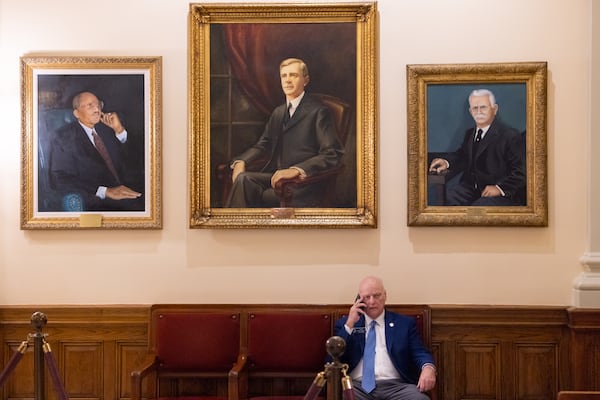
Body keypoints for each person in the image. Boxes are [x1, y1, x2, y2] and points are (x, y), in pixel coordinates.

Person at [226, 58, 344, 207]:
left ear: (305, 80)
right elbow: (263, 144)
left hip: (303, 183)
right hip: (277, 177)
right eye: (284, 76)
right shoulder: (279, 112)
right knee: (243, 179)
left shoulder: (318, 111)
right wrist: (241, 161)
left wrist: (296, 170)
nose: (287, 80)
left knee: (257, 193)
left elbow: (332, 153)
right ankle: (235, 227)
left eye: (293, 75)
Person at [333, 276, 436, 400]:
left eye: (376, 295)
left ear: (385, 295)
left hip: (398, 387)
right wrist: (350, 324)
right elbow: (332, 358)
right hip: (358, 387)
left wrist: (428, 368)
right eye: (366, 297)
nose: (371, 302)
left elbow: (419, 352)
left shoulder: (404, 324)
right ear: (359, 299)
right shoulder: (347, 324)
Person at [428, 88, 526, 206]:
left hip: (500, 193)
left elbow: (521, 172)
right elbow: (462, 156)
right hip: (472, 189)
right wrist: (446, 162)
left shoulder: (510, 136)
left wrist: (500, 188)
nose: (479, 112)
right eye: (475, 108)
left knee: (478, 210)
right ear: (470, 111)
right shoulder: (470, 134)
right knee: (446, 197)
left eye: (483, 107)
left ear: (494, 109)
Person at [48, 91, 143, 211]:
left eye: (98, 105)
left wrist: (119, 130)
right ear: (76, 113)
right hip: (97, 200)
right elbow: (58, 179)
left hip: (131, 189)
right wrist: (104, 191)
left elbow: (135, 159)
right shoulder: (63, 137)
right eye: (90, 106)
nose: (97, 109)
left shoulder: (109, 128)